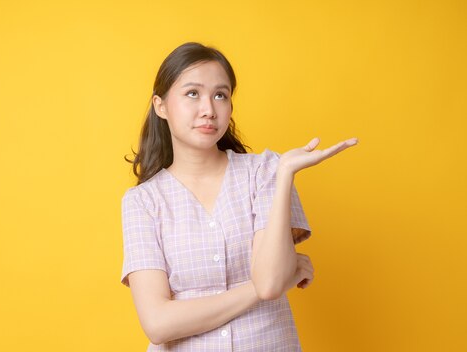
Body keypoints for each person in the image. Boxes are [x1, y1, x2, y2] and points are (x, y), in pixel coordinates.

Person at [120, 42, 358, 351]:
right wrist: (258, 288)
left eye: (220, 95)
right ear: (161, 105)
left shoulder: (267, 172)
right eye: (192, 93)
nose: (208, 109)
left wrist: (285, 174)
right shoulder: (143, 201)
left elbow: (272, 283)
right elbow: (158, 324)